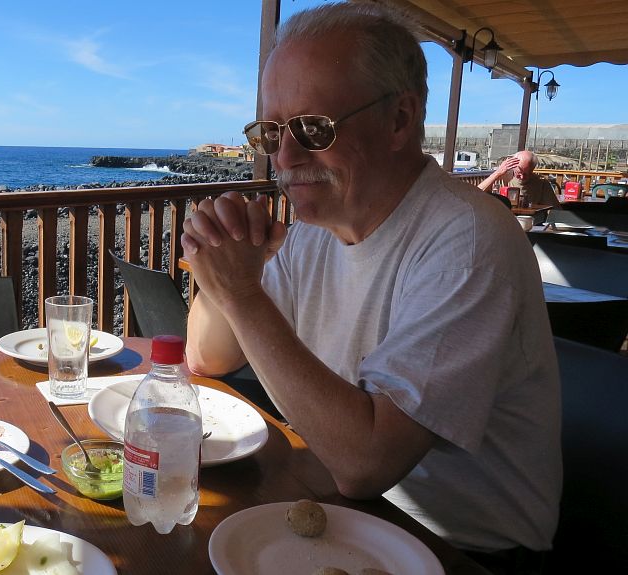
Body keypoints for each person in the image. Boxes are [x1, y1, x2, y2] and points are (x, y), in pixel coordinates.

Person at [181, 3, 560, 572]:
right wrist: (225, 259)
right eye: (271, 132)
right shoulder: (315, 231)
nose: (285, 157)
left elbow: (367, 463)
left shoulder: (467, 238)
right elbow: (206, 356)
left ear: (400, 119)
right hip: (339, 512)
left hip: (463, 550)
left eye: (314, 128)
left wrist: (241, 294)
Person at [478, 150, 561, 208]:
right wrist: (497, 173)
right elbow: (477, 193)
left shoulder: (541, 183)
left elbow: (554, 209)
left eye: (526, 174)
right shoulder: (501, 177)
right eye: (518, 173)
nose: (522, 177)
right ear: (513, 166)